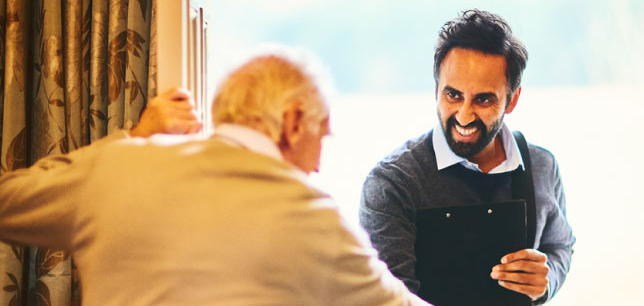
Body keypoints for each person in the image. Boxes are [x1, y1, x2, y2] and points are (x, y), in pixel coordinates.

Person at [0, 52, 428, 306]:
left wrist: (134, 139)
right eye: (323, 134)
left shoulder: (117, 167)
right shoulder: (313, 216)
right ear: (294, 122)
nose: (318, 164)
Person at [360, 9, 575, 304]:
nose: (464, 115)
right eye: (453, 95)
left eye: (483, 99)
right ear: (437, 90)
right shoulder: (393, 182)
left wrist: (545, 281)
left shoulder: (542, 166)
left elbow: (560, 245)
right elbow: (388, 298)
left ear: (512, 99)